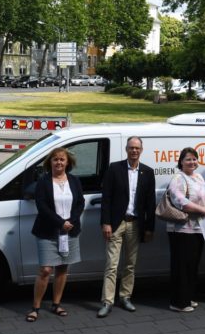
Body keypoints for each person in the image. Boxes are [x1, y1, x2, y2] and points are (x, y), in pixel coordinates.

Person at [98, 136, 156, 318]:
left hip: (136, 224)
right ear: (126, 149)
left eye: (137, 148)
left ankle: (125, 297)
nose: (134, 151)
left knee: (130, 265)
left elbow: (150, 202)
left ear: (141, 150)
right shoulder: (115, 169)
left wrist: (149, 228)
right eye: (131, 148)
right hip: (116, 223)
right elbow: (106, 198)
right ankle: (107, 301)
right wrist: (105, 222)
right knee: (112, 265)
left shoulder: (147, 172)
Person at [27, 147, 84, 323]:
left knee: (62, 268)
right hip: (48, 231)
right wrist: (61, 223)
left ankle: (56, 303)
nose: (59, 162)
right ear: (49, 162)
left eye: (62, 159)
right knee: (45, 270)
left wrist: (71, 221)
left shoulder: (74, 181)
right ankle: (35, 307)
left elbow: (80, 203)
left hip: (69, 231)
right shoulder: (43, 182)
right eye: (55, 159)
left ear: (67, 162)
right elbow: (42, 207)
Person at [166, 147, 205, 312]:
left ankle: (188, 297)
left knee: (192, 265)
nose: (192, 162)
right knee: (182, 266)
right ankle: (178, 302)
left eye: (194, 159)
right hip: (182, 230)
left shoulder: (199, 177)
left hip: (198, 228)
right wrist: (204, 210)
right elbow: (181, 201)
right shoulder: (178, 178)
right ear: (181, 161)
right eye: (188, 159)